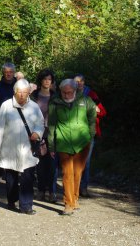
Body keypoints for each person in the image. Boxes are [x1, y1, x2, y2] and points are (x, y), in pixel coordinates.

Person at [0, 79, 44, 215]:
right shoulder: (6, 106)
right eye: (19, 92)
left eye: (25, 92)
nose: (22, 95)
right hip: (10, 147)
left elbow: (40, 123)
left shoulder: (34, 107)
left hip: (28, 149)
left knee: (28, 177)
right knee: (11, 178)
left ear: (28, 93)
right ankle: (12, 201)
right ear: (14, 92)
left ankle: (26, 205)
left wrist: (37, 133)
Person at [47, 79, 96, 215]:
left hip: (82, 142)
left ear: (75, 91)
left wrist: (90, 135)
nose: (66, 95)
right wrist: (51, 146)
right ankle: (68, 203)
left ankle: (75, 198)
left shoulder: (86, 101)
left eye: (69, 92)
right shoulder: (55, 102)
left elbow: (92, 117)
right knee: (67, 173)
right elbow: (51, 125)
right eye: (64, 92)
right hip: (63, 141)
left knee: (77, 172)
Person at [74, 74, 107, 197]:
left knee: (85, 162)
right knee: (73, 160)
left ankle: (83, 187)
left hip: (88, 133)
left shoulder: (91, 95)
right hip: (73, 132)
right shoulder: (69, 93)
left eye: (80, 81)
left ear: (84, 82)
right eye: (75, 82)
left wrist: (95, 110)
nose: (78, 84)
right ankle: (74, 187)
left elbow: (102, 112)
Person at [31, 69, 58, 203]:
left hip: (53, 134)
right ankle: (41, 190)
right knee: (40, 165)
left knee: (52, 165)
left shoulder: (56, 96)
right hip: (37, 134)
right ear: (40, 80)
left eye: (49, 79)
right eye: (45, 79)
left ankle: (52, 192)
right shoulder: (33, 96)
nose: (47, 81)